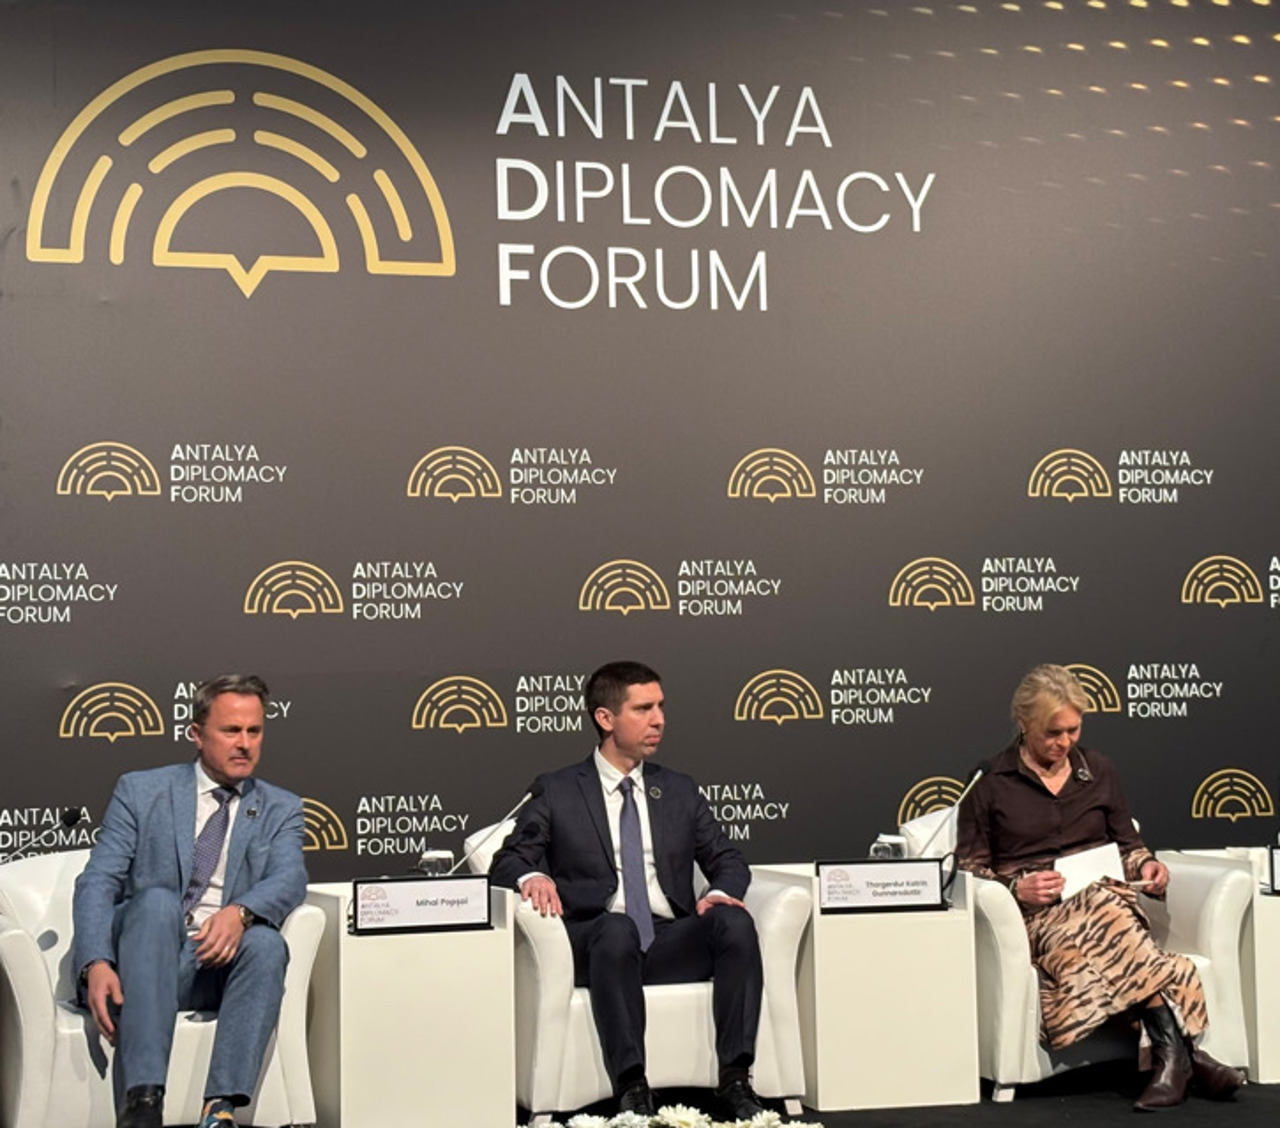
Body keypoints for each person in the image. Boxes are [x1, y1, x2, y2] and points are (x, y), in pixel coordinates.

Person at [956, 663, 1245, 1111]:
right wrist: (1016, 887)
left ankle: (1175, 1060)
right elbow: (969, 869)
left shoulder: (1100, 770)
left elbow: (1129, 844)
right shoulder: (991, 782)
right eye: (1053, 732)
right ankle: (1186, 1057)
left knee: (1105, 906)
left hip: (1109, 904)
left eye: (1073, 730)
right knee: (1107, 918)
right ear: (1024, 723)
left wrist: (1148, 865)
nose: (1065, 742)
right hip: (1043, 919)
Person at [489, 660, 766, 1120]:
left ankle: (736, 1080)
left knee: (733, 921)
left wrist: (720, 891)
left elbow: (728, 859)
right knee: (617, 929)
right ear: (606, 718)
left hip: (666, 939)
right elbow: (508, 860)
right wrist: (532, 877)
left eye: (660, 707)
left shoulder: (677, 789)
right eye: (643, 709)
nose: (659, 720)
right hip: (597, 942)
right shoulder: (558, 790)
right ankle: (632, 1086)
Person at [72, 674, 307, 1128]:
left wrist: (240, 913)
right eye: (231, 730)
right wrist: (95, 962)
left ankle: (219, 1110)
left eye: (254, 731)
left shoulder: (281, 807)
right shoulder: (141, 791)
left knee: (266, 944)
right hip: (143, 966)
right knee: (157, 903)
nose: (244, 744)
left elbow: (289, 877)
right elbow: (98, 880)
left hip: (214, 963)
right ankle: (143, 1102)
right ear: (197, 734)